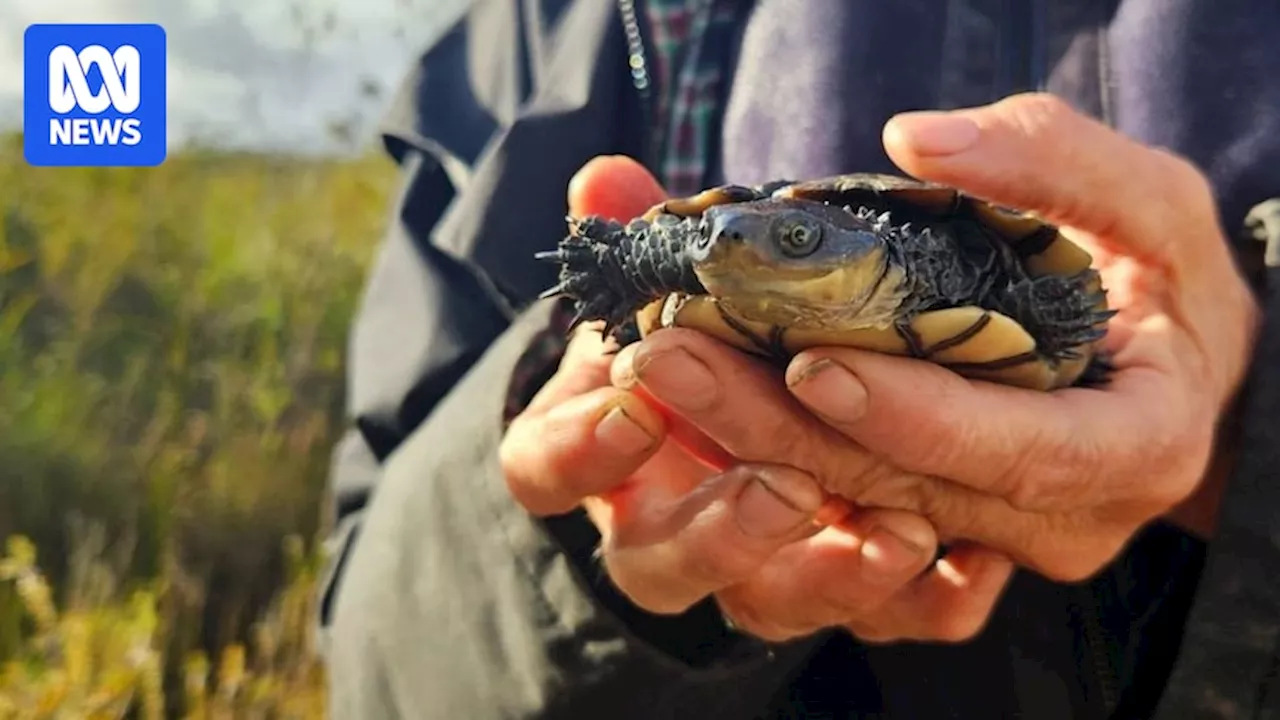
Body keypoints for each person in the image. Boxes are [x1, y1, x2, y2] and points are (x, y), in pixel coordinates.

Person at [318, 1, 1280, 717]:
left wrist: (1243, 419)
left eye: (790, 243)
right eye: (724, 241)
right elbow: (372, 654)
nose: (733, 250)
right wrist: (567, 522)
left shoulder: (942, 258)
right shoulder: (545, 33)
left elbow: (1064, 302)